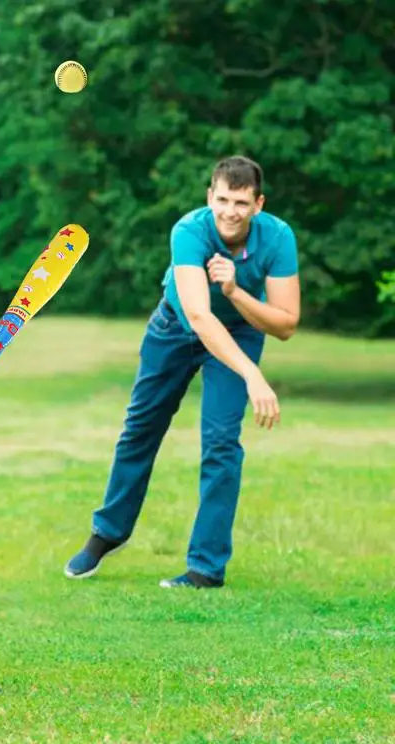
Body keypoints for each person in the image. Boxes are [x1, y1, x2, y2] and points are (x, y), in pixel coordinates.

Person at [65, 156, 300, 588]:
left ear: (258, 205)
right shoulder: (189, 230)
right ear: (210, 196)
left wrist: (235, 291)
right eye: (223, 199)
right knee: (141, 428)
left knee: (221, 444)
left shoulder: (278, 237)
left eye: (242, 203)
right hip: (176, 326)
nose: (231, 211)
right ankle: (108, 534)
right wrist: (253, 376)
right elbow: (197, 314)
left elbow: (285, 323)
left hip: (239, 333)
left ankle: (206, 568)